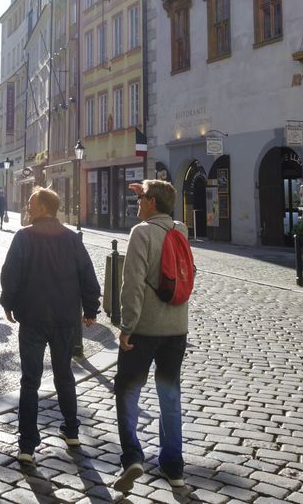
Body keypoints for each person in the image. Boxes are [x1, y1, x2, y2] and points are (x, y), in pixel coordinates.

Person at [0, 187, 101, 464]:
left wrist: (8, 302)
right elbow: (87, 275)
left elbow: (11, 273)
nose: (28, 207)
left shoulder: (24, 237)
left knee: (30, 380)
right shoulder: (71, 238)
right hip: (65, 317)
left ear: (44, 207)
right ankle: (72, 430)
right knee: (64, 374)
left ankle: (27, 444)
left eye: (31, 203)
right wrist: (91, 309)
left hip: (32, 317)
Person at [112, 179, 189, 493]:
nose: (138, 202)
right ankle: (174, 467)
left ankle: (132, 455)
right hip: (177, 328)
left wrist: (127, 327)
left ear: (153, 203)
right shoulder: (180, 230)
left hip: (145, 328)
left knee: (127, 391)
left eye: (141, 197)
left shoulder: (141, 233)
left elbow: (132, 285)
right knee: (169, 396)